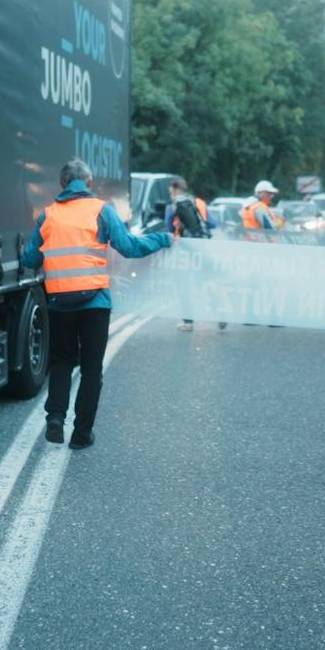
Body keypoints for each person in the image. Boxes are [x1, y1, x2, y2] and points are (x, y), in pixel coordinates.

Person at [22, 158, 172, 449]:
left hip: (60, 303)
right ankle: (81, 434)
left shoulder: (48, 215)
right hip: (95, 304)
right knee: (91, 368)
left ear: (63, 184)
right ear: (89, 184)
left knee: (61, 363)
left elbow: (29, 259)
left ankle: (55, 417)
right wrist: (163, 239)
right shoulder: (101, 210)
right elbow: (130, 247)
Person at [166, 179, 224, 331]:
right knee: (205, 283)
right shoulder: (198, 202)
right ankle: (220, 314)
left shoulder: (173, 205)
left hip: (185, 251)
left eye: (170, 189)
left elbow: (169, 228)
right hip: (202, 248)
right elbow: (212, 223)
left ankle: (188, 322)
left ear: (174, 188)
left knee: (184, 285)